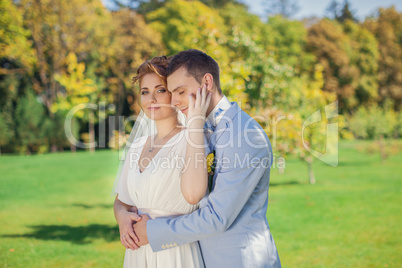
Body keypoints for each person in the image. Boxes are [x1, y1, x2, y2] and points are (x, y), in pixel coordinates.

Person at [132, 49, 281, 267]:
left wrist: (152, 231)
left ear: (207, 82)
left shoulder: (245, 135)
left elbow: (217, 218)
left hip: (240, 260)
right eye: (171, 93)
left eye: (180, 91)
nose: (173, 102)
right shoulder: (196, 127)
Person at [113, 55, 211, 267]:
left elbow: (194, 196)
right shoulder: (137, 145)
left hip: (175, 252)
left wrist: (196, 122)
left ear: (175, 94)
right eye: (145, 92)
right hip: (138, 253)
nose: (152, 99)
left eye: (160, 90)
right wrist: (121, 217)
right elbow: (122, 201)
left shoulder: (192, 138)